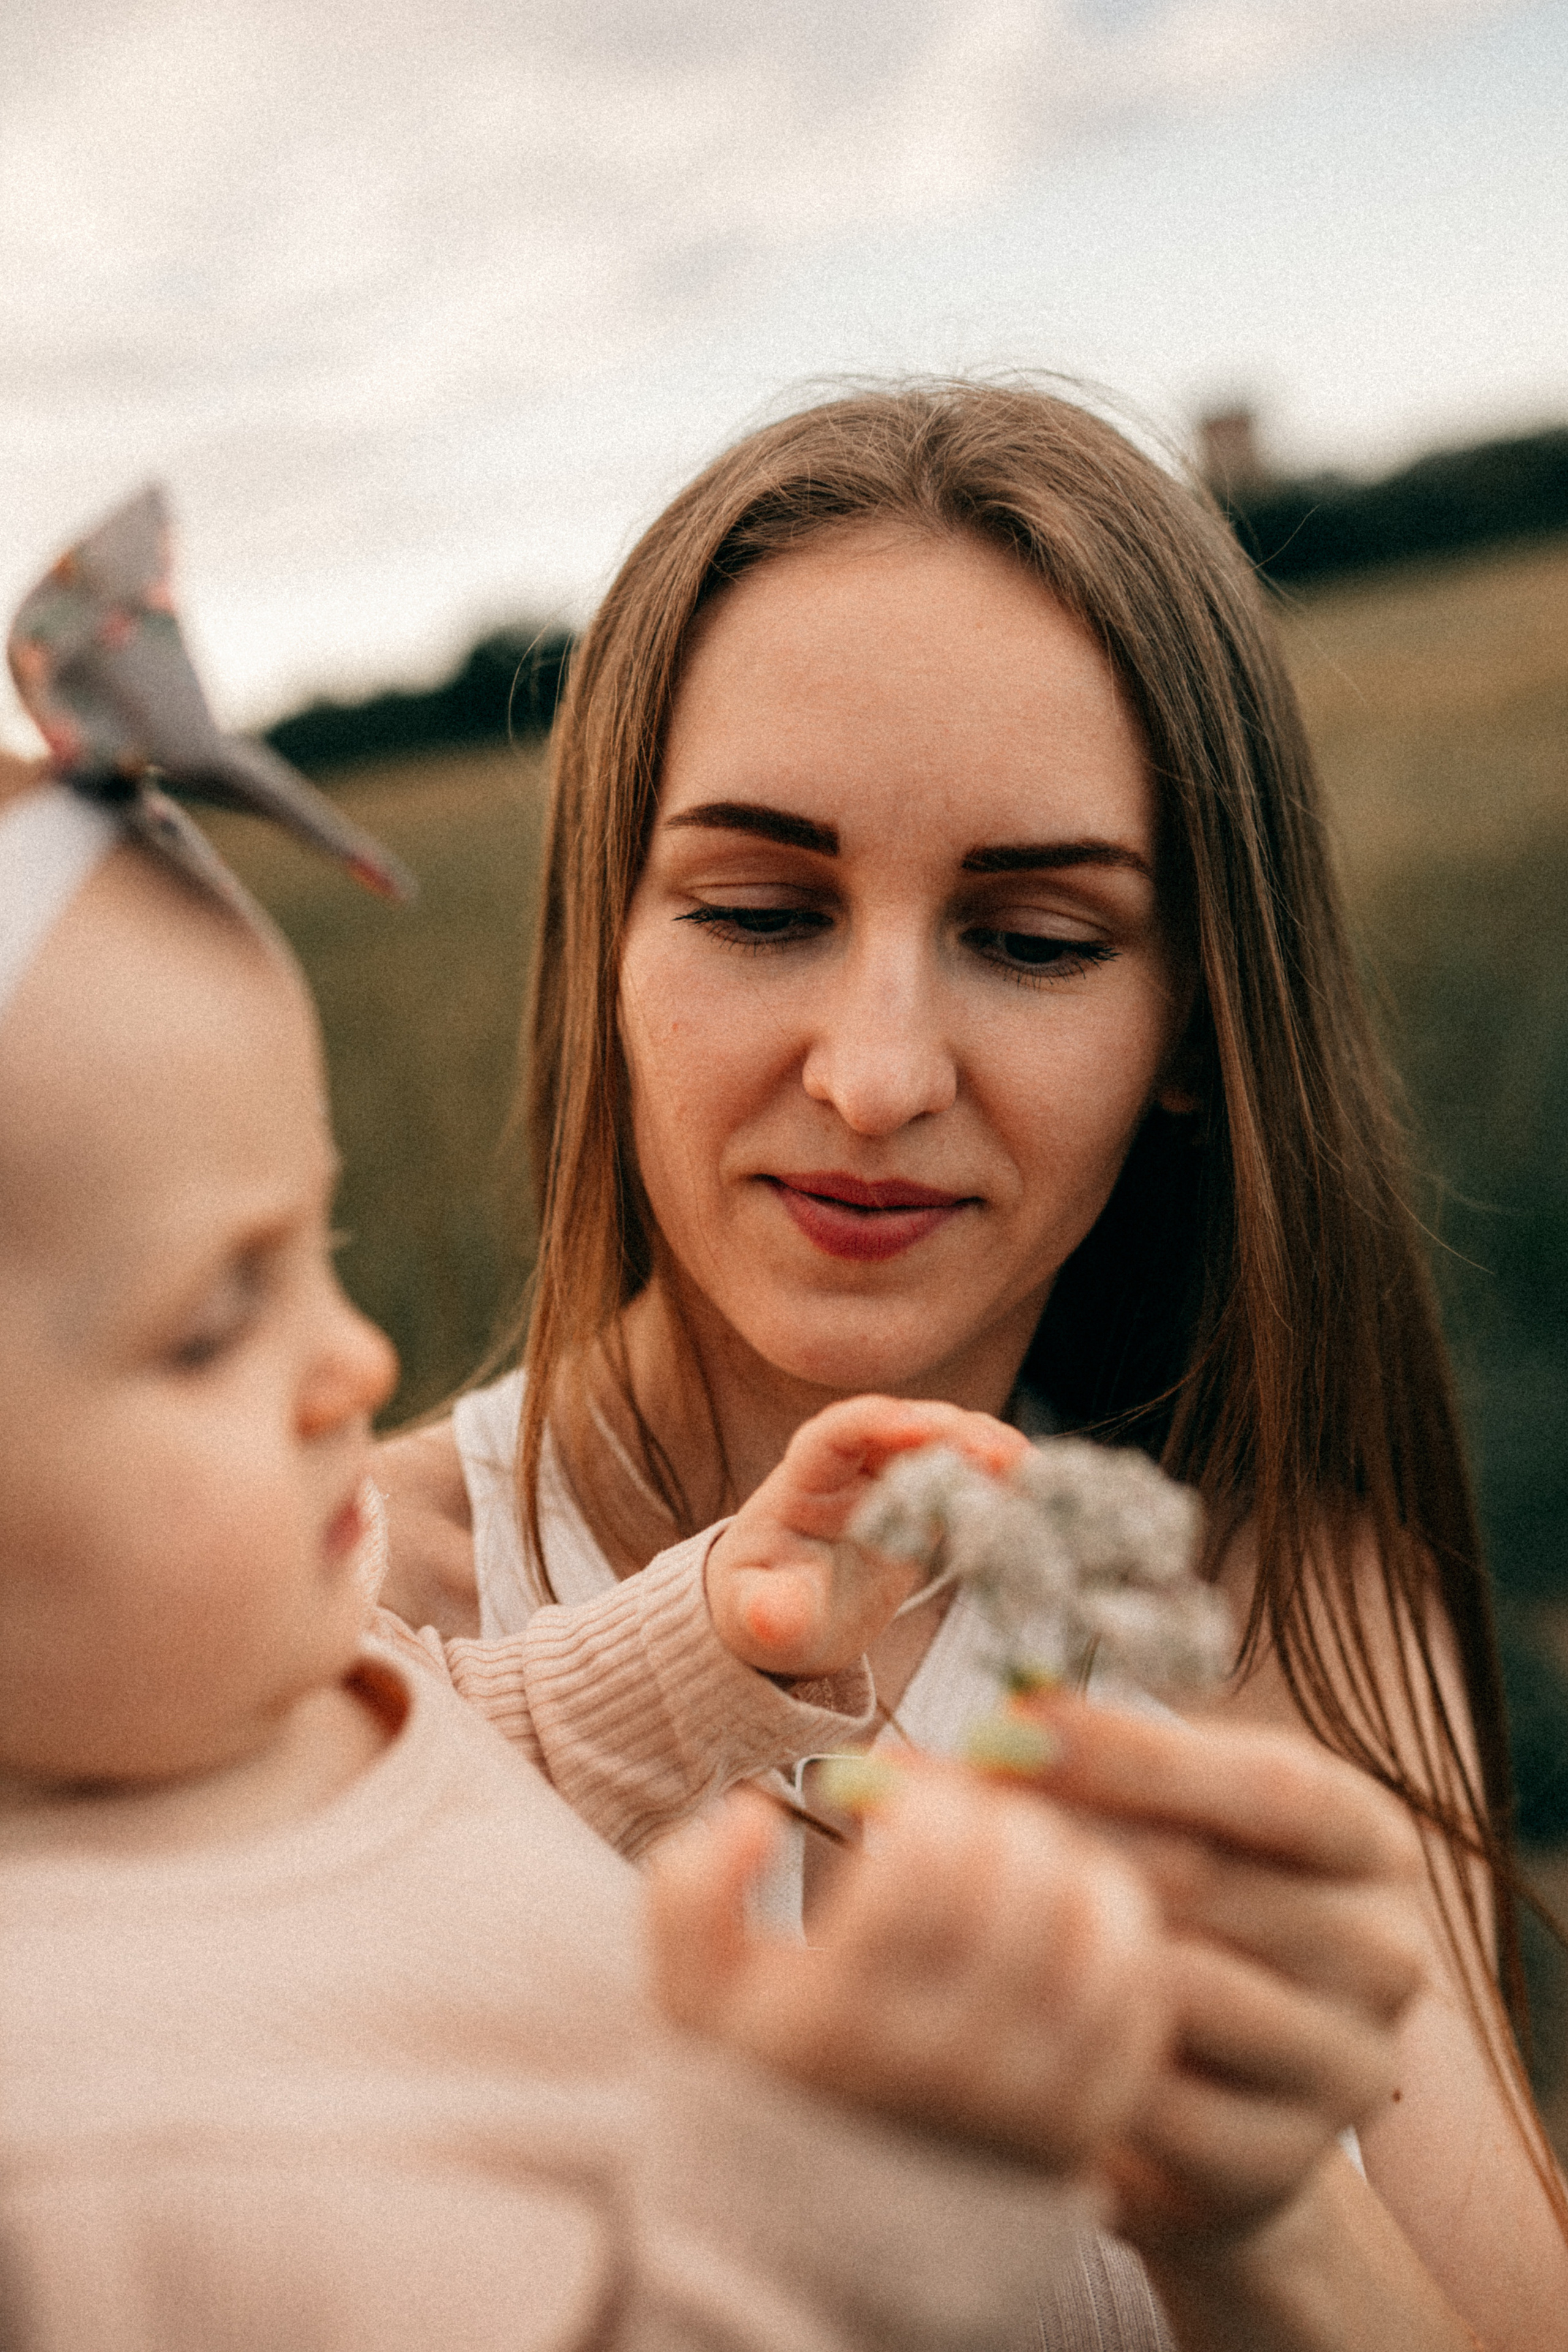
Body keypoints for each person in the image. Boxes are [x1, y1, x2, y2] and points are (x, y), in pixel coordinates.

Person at [377, 380, 1568, 2350]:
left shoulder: (1287, 1617)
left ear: (1197, 1022)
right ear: (612, 933)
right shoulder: (343, 1612)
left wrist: (1248, 2214)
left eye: (1033, 939)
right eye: (761, 911)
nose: (875, 1075)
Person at [0, 764, 1186, 2351]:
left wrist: (710, 1634)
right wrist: (853, 2206)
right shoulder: (115, 2177)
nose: (353, 1357)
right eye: (218, 1320)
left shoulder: (223, 1715)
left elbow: (468, 1757)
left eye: (320, 1253)